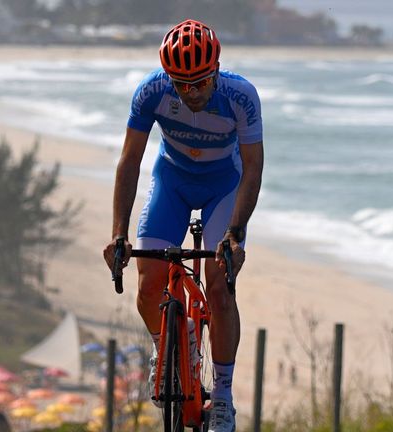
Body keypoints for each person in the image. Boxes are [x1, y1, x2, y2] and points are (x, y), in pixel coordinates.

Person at [103, 19, 263, 432]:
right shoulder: (152, 91)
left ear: (216, 71)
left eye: (200, 83)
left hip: (221, 189)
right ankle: (171, 347)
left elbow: (252, 169)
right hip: (172, 182)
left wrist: (235, 234)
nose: (191, 93)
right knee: (147, 282)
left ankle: (223, 396)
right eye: (181, 84)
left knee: (220, 286)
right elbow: (130, 161)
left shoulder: (241, 96)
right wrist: (119, 233)